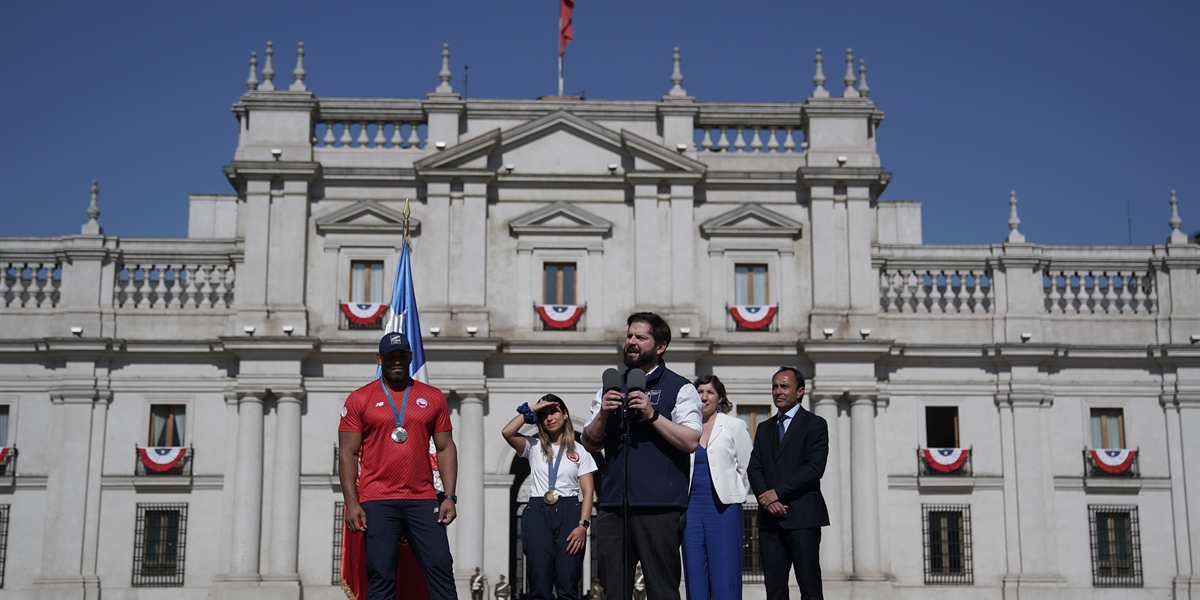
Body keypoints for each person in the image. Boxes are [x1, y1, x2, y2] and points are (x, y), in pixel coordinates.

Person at [581, 312, 702, 600]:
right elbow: (589, 442)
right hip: (613, 506)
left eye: (640, 337)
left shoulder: (681, 387)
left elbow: (691, 440)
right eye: (629, 336)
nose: (631, 342)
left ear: (660, 346)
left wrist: (652, 414)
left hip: (659, 507)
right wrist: (603, 414)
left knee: (662, 590)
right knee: (614, 592)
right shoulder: (609, 388)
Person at [339, 333, 460, 600]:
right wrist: (351, 502)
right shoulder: (360, 398)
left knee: (440, 567)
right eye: (391, 357)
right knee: (381, 575)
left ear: (410, 358)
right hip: (377, 499)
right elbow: (347, 452)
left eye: (402, 356)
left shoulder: (432, 397)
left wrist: (449, 496)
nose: (397, 361)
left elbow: (445, 447)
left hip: (423, 498)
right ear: (379, 359)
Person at [503, 394, 597, 600]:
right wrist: (534, 408)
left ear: (565, 414)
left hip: (569, 512)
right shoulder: (533, 446)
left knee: (568, 581)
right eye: (543, 415)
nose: (549, 418)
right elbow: (507, 432)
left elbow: (588, 491)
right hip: (537, 512)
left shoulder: (581, 451)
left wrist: (583, 525)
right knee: (539, 580)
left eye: (553, 412)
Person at [747, 367, 829, 600]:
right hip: (770, 521)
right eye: (775, 387)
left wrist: (777, 493)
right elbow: (755, 467)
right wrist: (765, 496)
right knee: (774, 591)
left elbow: (814, 468)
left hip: (803, 518)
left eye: (784, 386)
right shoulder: (764, 428)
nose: (778, 391)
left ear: (800, 391)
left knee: (810, 588)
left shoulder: (815, 424)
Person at [682, 375, 752, 600]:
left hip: (724, 509)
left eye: (710, 392)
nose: (704, 397)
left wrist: (735, 493)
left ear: (719, 397)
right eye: (700, 392)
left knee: (725, 572)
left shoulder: (734, 425)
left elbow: (746, 467)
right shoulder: (684, 427)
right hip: (691, 509)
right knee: (694, 570)